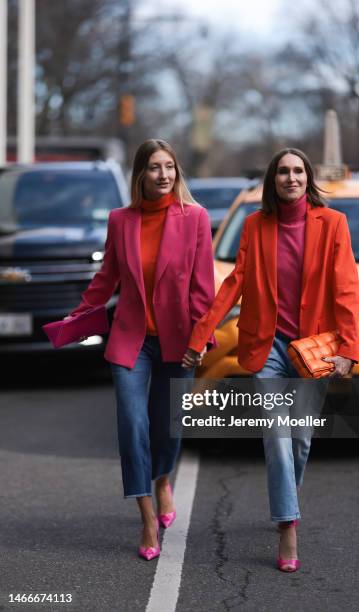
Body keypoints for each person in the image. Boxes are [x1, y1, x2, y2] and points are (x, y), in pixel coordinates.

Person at [182, 147, 359, 572]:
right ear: (273, 179)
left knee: (299, 438)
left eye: (298, 170)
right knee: (277, 436)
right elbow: (234, 284)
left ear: (308, 177)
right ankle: (287, 526)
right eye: (283, 171)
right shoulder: (255, 225)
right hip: (268, 349)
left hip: (314, 346)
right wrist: (200, 335)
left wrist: (349, 349)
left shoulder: (333, 224)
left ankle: (288, 498)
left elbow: (346, 288)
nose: (291, 177)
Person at [69, 139, 215, 560]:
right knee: (132, 426)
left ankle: (162, 477)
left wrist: (201, 338)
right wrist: (77, 317)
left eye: (169, 166)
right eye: (154, 167)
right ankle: (147, 517)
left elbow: (203, 288)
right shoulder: (121, 220)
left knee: (168, 427)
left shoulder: (195, 219)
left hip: (179, 339)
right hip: (131, 341)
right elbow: (106, 278)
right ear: (140, 175)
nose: (164, 174)